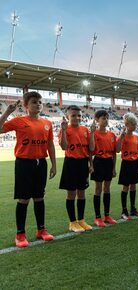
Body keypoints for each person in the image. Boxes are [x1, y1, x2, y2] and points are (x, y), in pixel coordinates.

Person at [0, 92, 56, 248]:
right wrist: (7, 112)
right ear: (26, 105)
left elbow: (50, 145)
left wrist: (54, 164)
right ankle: (20, 234)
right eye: (33, 102)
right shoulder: (19, 121)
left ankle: (41, 230)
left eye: (39, 102)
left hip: (41, 164)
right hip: (24, 164)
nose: (38, 104)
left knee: (39, 197)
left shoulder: (47, 123)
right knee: (23, 199)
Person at [59, 105, 95, 232]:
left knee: (81, 192)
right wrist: (63, 130)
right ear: (68, 116)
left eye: (79, 115)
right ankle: (72, 222)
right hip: (71, 163)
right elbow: (64, 147)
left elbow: (90, 149)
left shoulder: (85, 129)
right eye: (73, 115)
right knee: (71, 194)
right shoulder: (65, 129)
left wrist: (91, 163)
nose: (76, 118)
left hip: (83, 163)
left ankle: (81, 220)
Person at [90, 110, 118, 227]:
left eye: (107, 118)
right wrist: (91, 165)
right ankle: (97, 217)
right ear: (97, 120)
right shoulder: (94, 134)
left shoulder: (111, 135)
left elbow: (114, 153)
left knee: (107, 189)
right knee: (98, 189)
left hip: (108, 162)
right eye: (103, 118)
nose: (106, 120)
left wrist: (114, 167)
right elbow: (90, 151)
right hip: (98, 161)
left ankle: (107, 215)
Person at [115, 112, 138, 220]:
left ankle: (133, 209)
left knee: (133, 185)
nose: (135, 126)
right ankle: (124, 211)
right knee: (125, 187)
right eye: (133, 124)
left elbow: (136, 152)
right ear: (127, 125)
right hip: (126, 163)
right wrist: (121, 138)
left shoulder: (136, 137)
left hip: (134, 163)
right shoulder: (123, 136)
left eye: (135, 124)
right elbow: (117, 150)